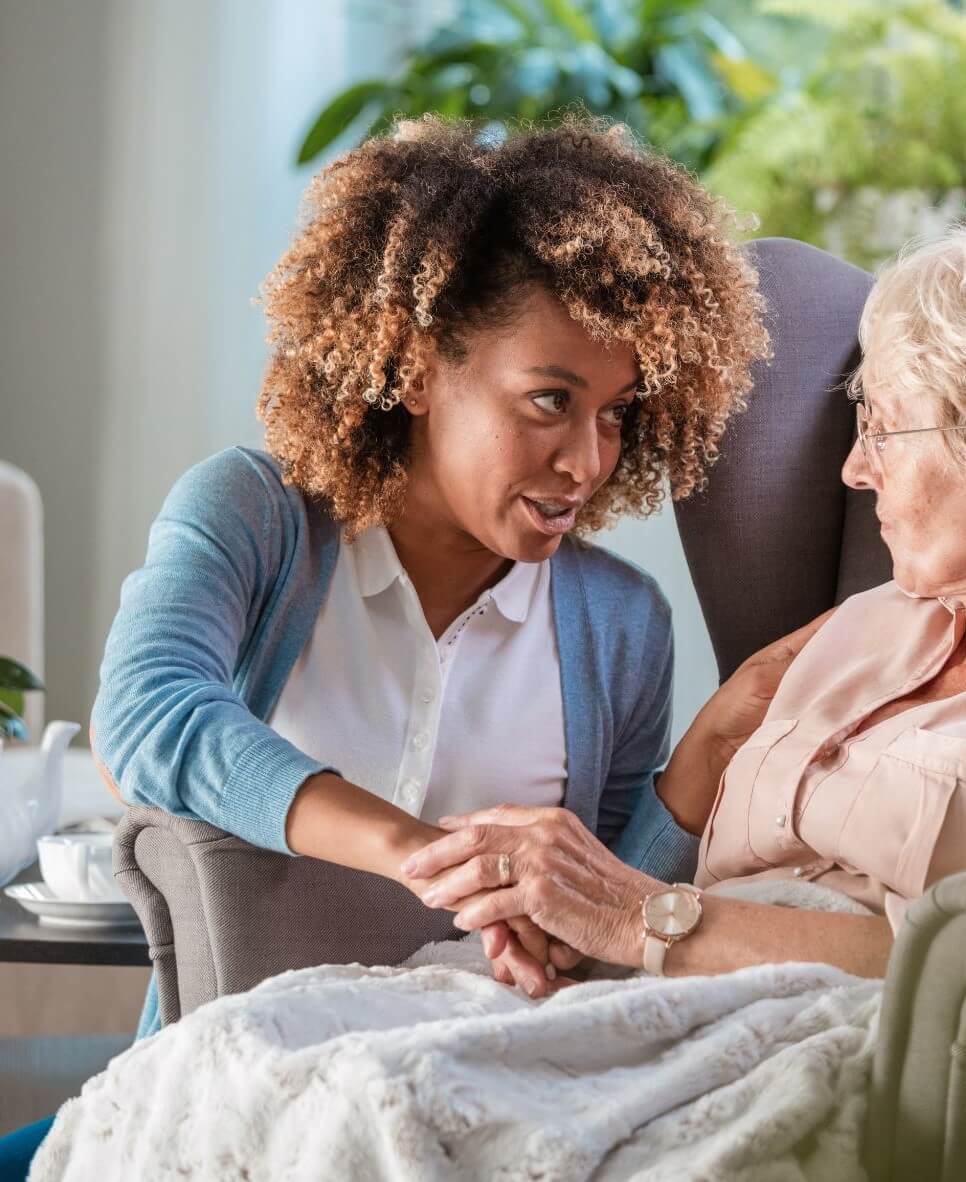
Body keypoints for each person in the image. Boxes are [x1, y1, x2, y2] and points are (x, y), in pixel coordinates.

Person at [0, 115, 770, 1176]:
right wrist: (427, 856)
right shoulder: (254, 516)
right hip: (226, 1099)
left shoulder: (620, 621)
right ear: (415, 367)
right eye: (549, 400)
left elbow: (599, 929)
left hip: (479, 1107)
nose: (587, 461)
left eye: (617, 414)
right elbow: (152, 713)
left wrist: (711, 746)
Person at [400, 219, 966, 985]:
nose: (857, 471)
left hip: (838, 1055)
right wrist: (573, 929)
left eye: (883, 430)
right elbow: (670, 901)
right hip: (653, 995)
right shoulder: (867, 623)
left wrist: (637, 921)